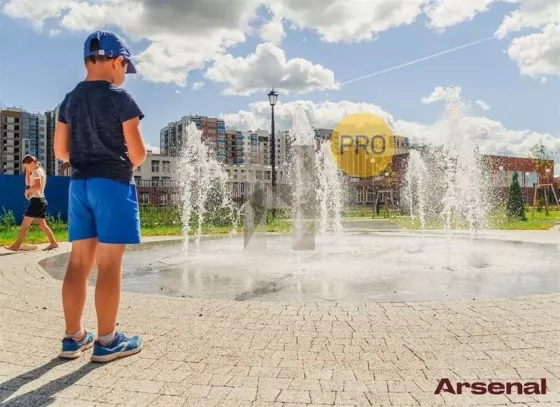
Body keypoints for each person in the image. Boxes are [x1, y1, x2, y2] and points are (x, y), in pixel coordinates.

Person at [54, 30, 147, 362]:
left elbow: (60, 152)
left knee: (79, 262)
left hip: (79, 185)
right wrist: (119, 160)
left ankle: (73, 337)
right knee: (109, 264)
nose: (125, 74)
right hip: (112, 185)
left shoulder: (69, 100)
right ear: (117, 61)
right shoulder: (120, 98)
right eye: (125, 68)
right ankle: (107, 340)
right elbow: (138, 154)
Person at [4, 155, 59, 252]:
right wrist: (27, 172)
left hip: (37, 202)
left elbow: (38, 186)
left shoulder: (36, 172)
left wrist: (27, 191)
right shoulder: (38, 170)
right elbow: (28, 183)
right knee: (43, 225)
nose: (26, 168)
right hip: (41, 201)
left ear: (32, 163)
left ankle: (16, 246)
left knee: (24, 225)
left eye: (27, 166)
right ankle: (54, 243)